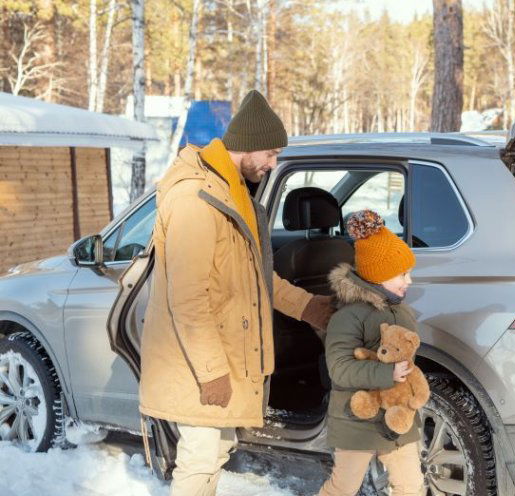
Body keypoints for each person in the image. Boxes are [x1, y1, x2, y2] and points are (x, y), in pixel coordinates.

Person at [139, 90, 335, 496]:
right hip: (197, 363)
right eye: (271, 153)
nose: (273, 164)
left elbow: (254, 279)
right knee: (199, 459)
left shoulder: (233, 195)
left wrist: (308, 307)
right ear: (247, 145)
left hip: (221, 355)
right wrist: (211, 373)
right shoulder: (196, 201)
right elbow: (187, 298)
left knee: (215, 453)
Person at [318, 209, 425, 496]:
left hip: (397, 416)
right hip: (357, 420)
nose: (409, 281)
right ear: (378, 275)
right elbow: (339, 368)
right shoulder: (349, 316)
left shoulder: (401, 311)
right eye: (402, 274)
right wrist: (386, 373)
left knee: (411, 486)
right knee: (343, 487)